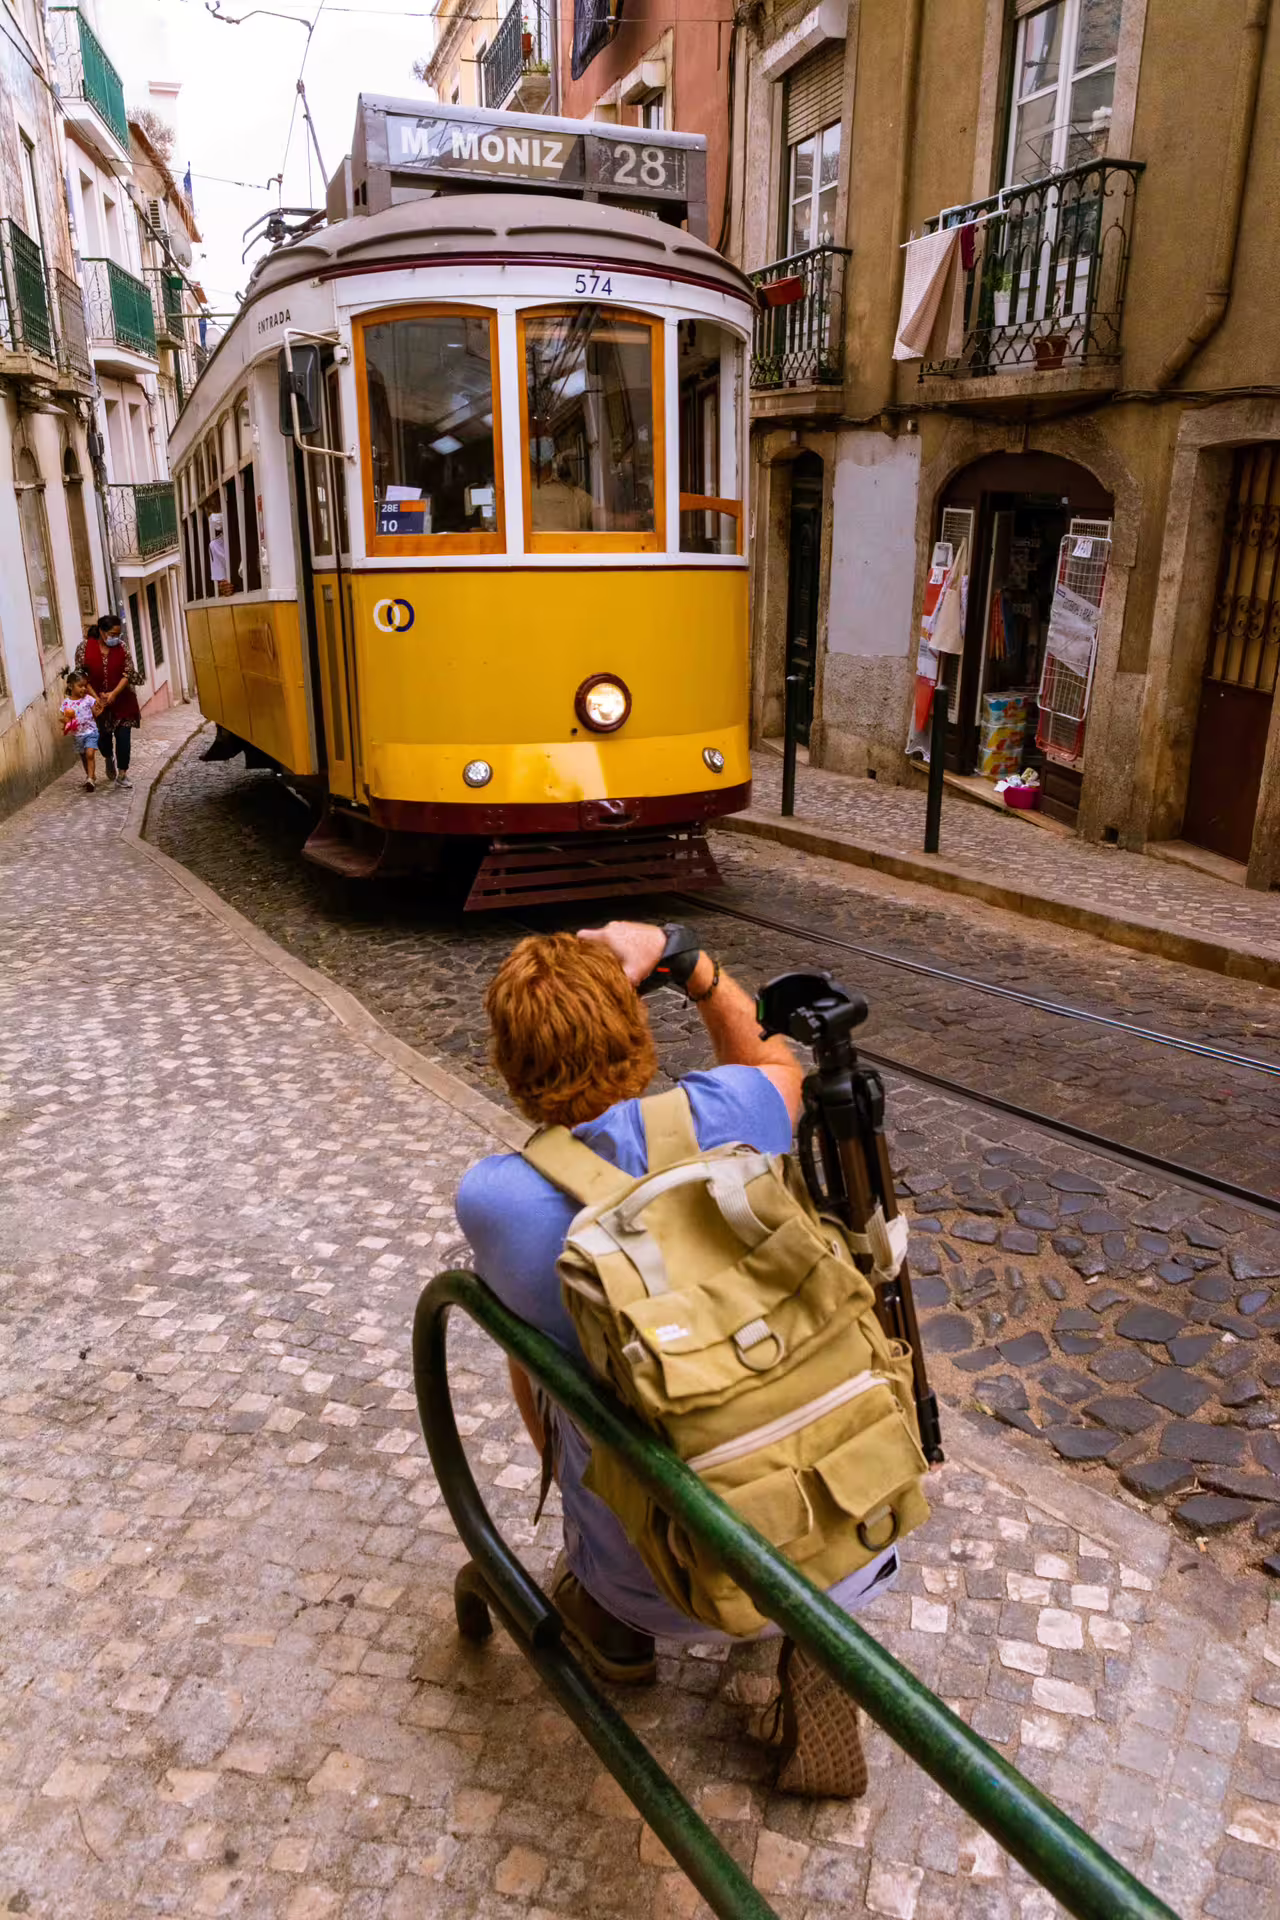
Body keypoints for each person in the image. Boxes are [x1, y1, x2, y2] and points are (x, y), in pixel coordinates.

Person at [456, 921, 897, 1798]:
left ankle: (612, 1624)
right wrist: (686, 958)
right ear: (639, 1037)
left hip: (655, 1566)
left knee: (543, 1353)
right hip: (839, 1517)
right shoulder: (736, 1113)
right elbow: (774, 1059)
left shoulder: (495, 1200)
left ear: (510, 1071)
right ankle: (810, 1643)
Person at [76, 615, 143, 791]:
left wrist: (113, 694)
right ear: (101, 631)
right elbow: (82, 677)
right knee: (103, 738)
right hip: (97, 703)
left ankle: (122, 774)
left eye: (118, 634)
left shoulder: (122, 647)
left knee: (123, 737)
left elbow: (127, 673)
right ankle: (108, 757)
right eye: (112, 634)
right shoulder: (84, 648)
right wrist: (97, 699)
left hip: (122, 699)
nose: (115, 638)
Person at [60, 670, 103, 791]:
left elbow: (95, 712)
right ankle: (91, 776)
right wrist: (67, 723)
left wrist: (100, 709)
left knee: (90, 754)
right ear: (70, 686)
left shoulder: (88, 699)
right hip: (78, 735)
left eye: (85, 686)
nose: (83, 689)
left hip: (91, 732)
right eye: (80, 686)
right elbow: (65, 719)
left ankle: (90, 779)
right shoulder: (66, 704)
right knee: (84, 757)